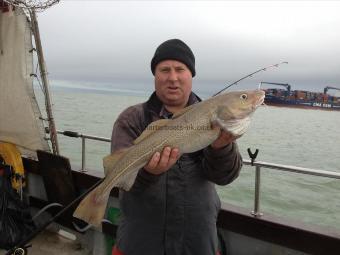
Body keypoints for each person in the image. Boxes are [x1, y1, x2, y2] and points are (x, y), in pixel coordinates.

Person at [111, 39, 242, 255]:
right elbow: (123, 183)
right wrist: (148, 173)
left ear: (191, 75)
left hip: (197, 243)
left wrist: (220, 148)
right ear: (155, 76)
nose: (172, 78)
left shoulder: (215, 118)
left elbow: (224, 177)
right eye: (164, 70)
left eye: (180, 69)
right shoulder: (131, 119)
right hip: (139, 244)